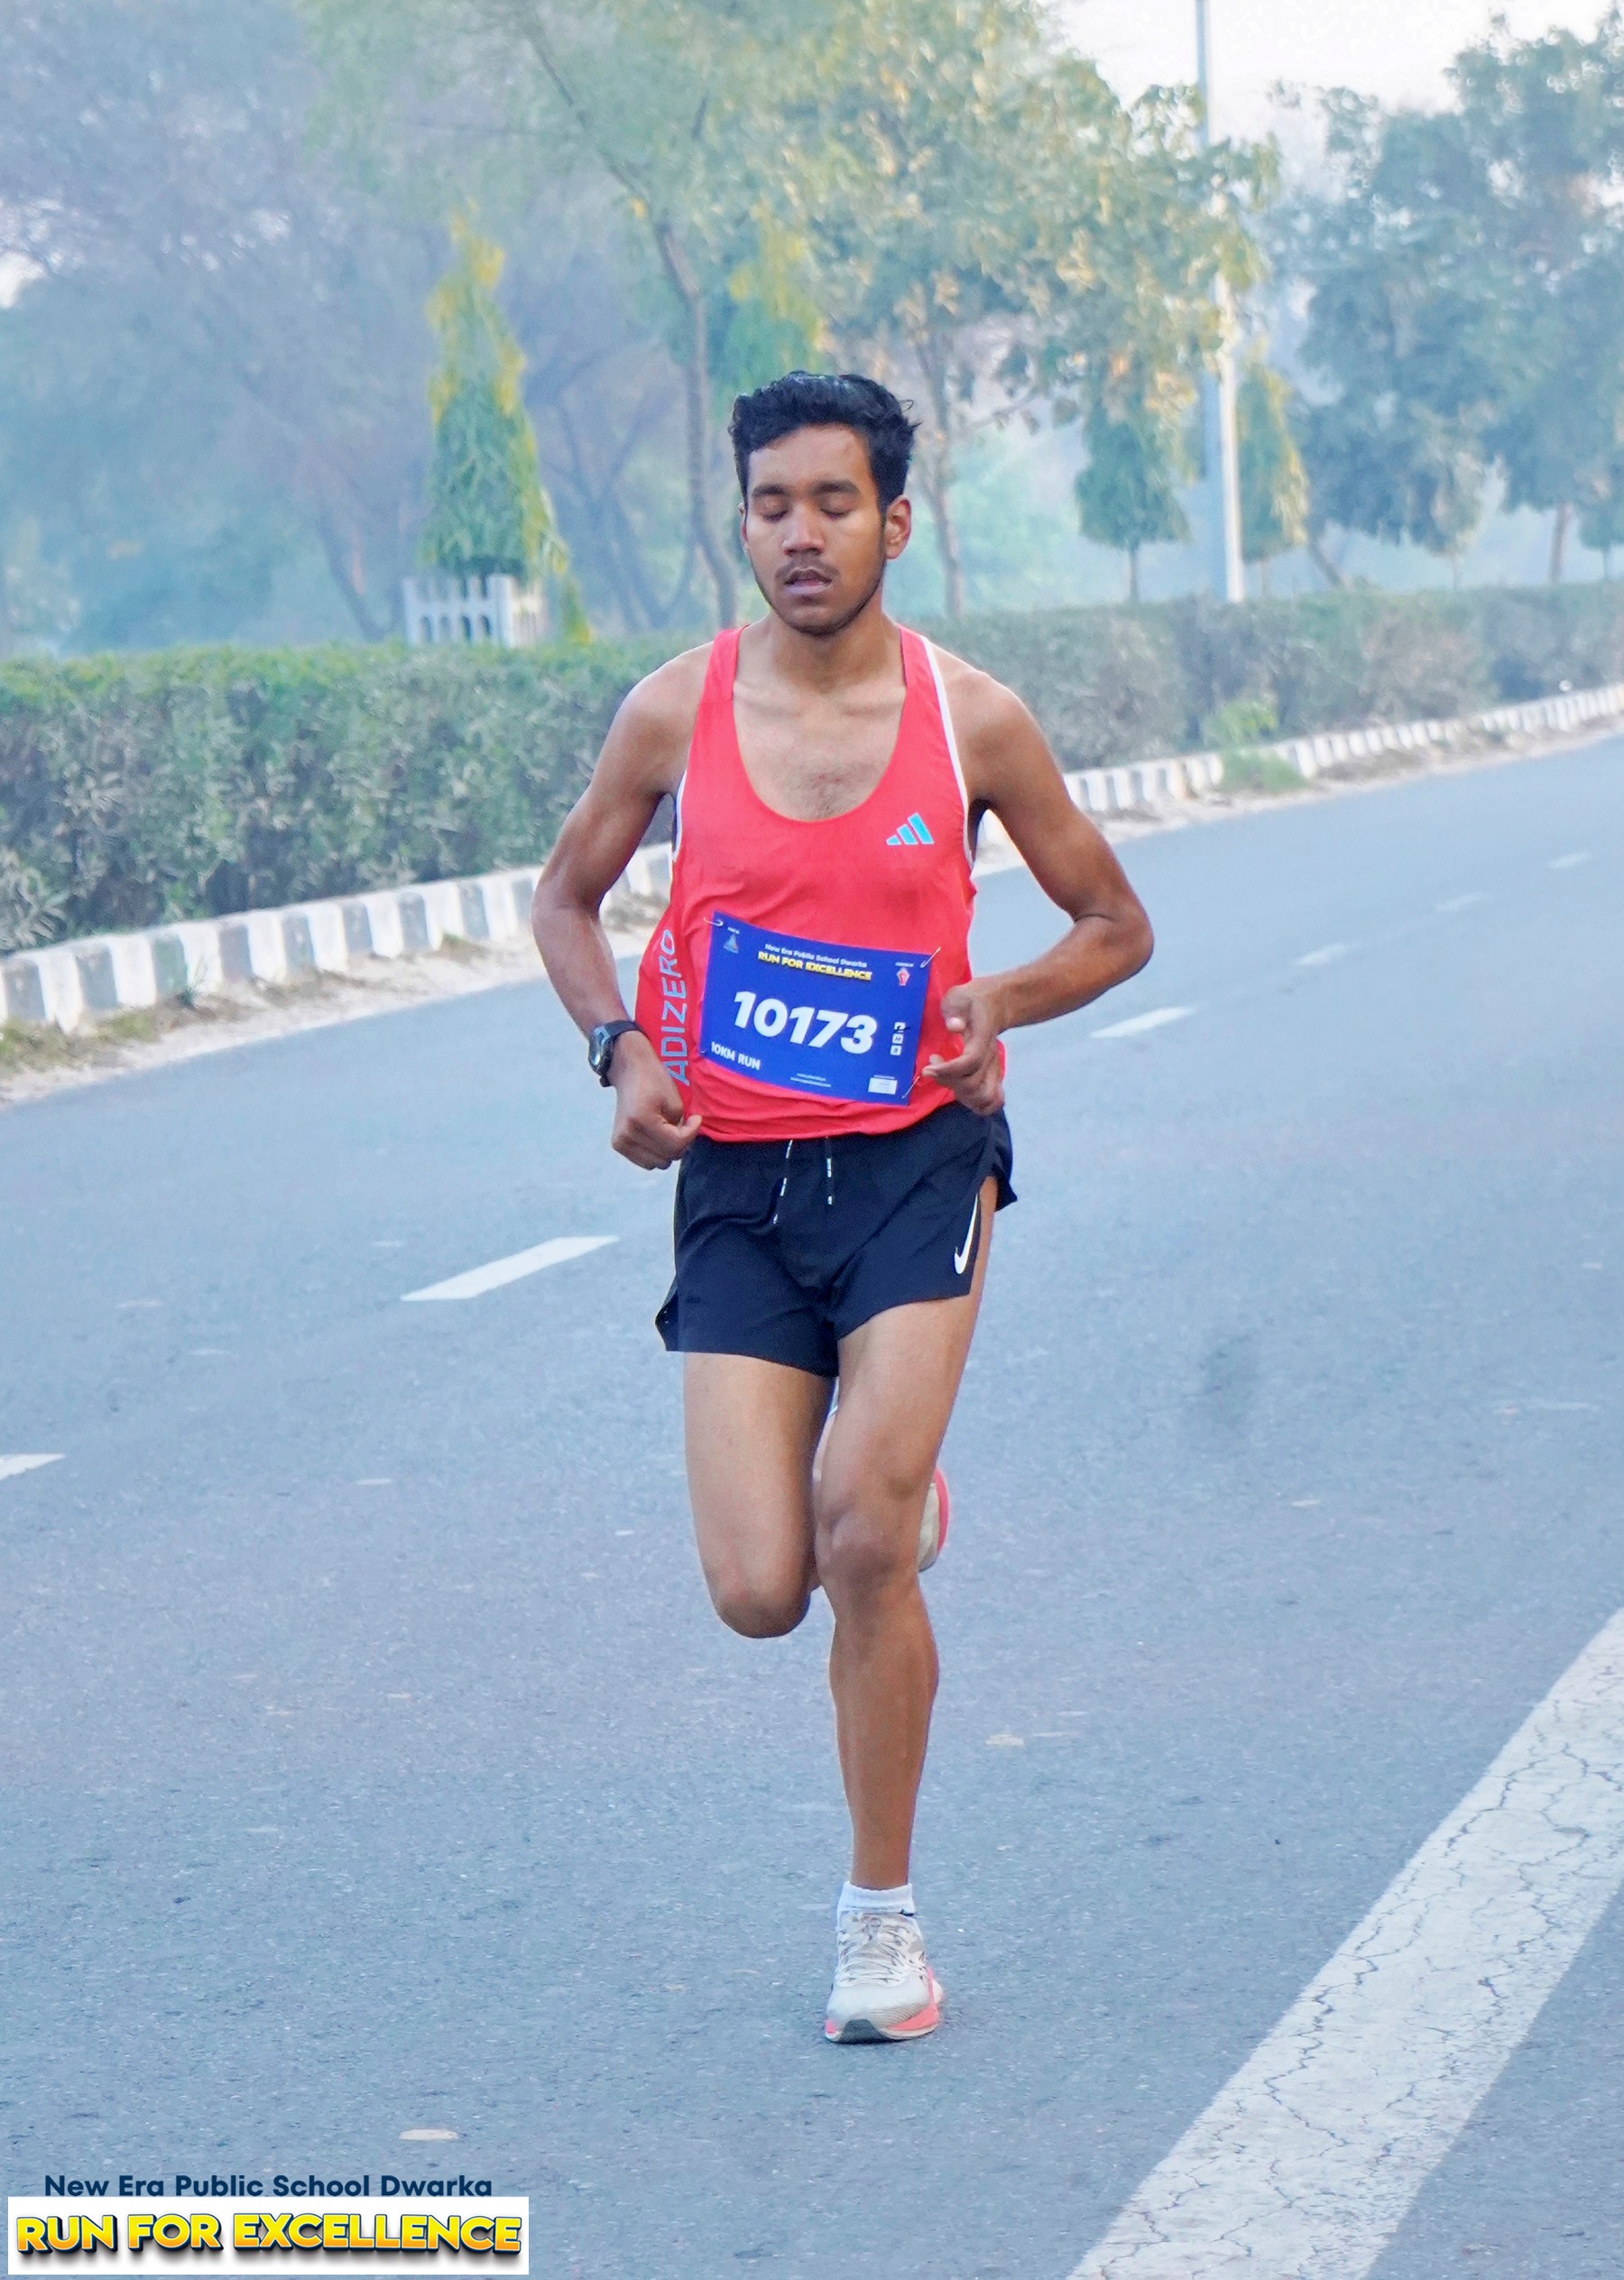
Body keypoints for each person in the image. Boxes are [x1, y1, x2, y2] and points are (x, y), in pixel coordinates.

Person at [532, 371, 1152, 2044]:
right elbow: (567, 898)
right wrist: (619, 1049)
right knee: (760, 1585)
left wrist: (999, 1003)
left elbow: (1116, 924)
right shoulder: (673, 713)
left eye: (831, 503)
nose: (799, 535)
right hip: (739, 1182)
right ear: (739, 523)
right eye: (770, 506)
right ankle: (890, 1481)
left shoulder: (975, 723)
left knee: (860, 1539)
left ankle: (882, 1927)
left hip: (915, 1164)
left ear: (895, 521)